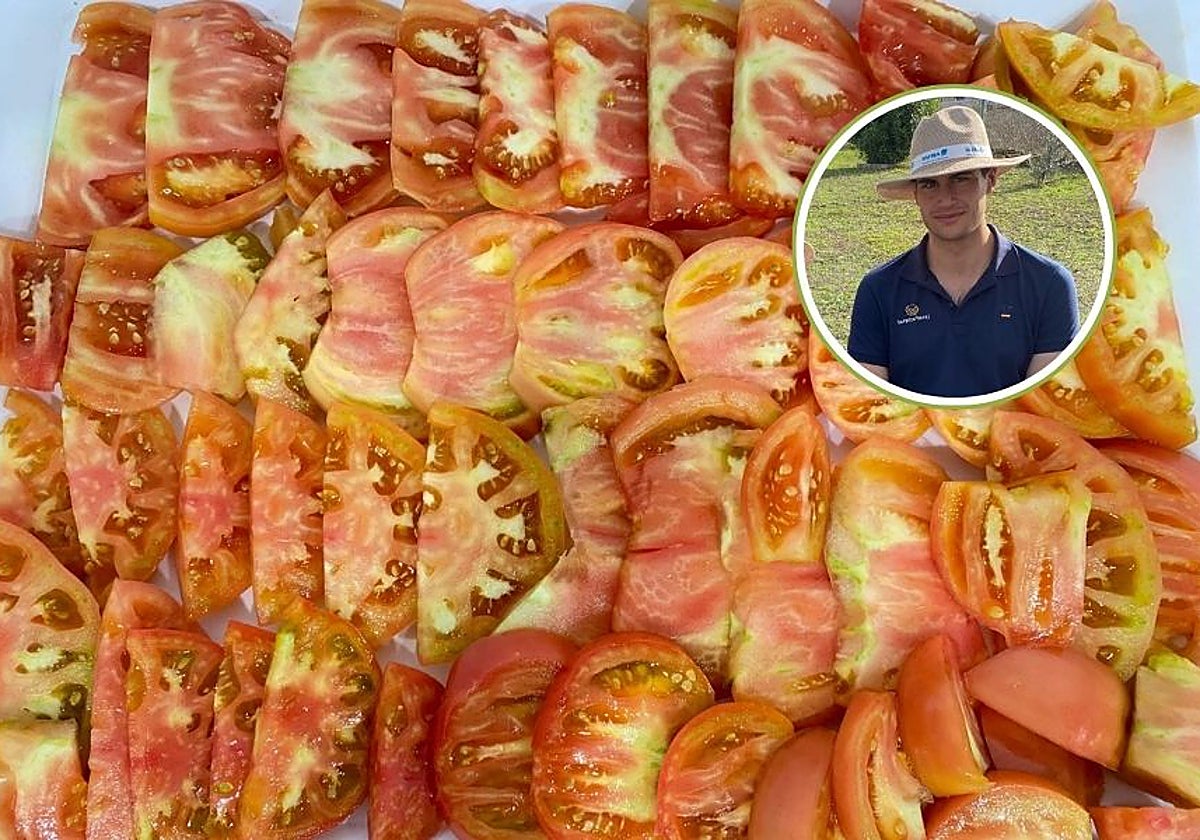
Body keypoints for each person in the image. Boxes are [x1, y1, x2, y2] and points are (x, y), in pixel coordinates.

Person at [846, 104, 1079, 398]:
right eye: (930, 184)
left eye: (961, 178)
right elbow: (870, 405)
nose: (945, 199)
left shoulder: (1049, 284)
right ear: (916, 195)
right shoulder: (878, 289)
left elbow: (1042, 408)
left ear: (990, 180)